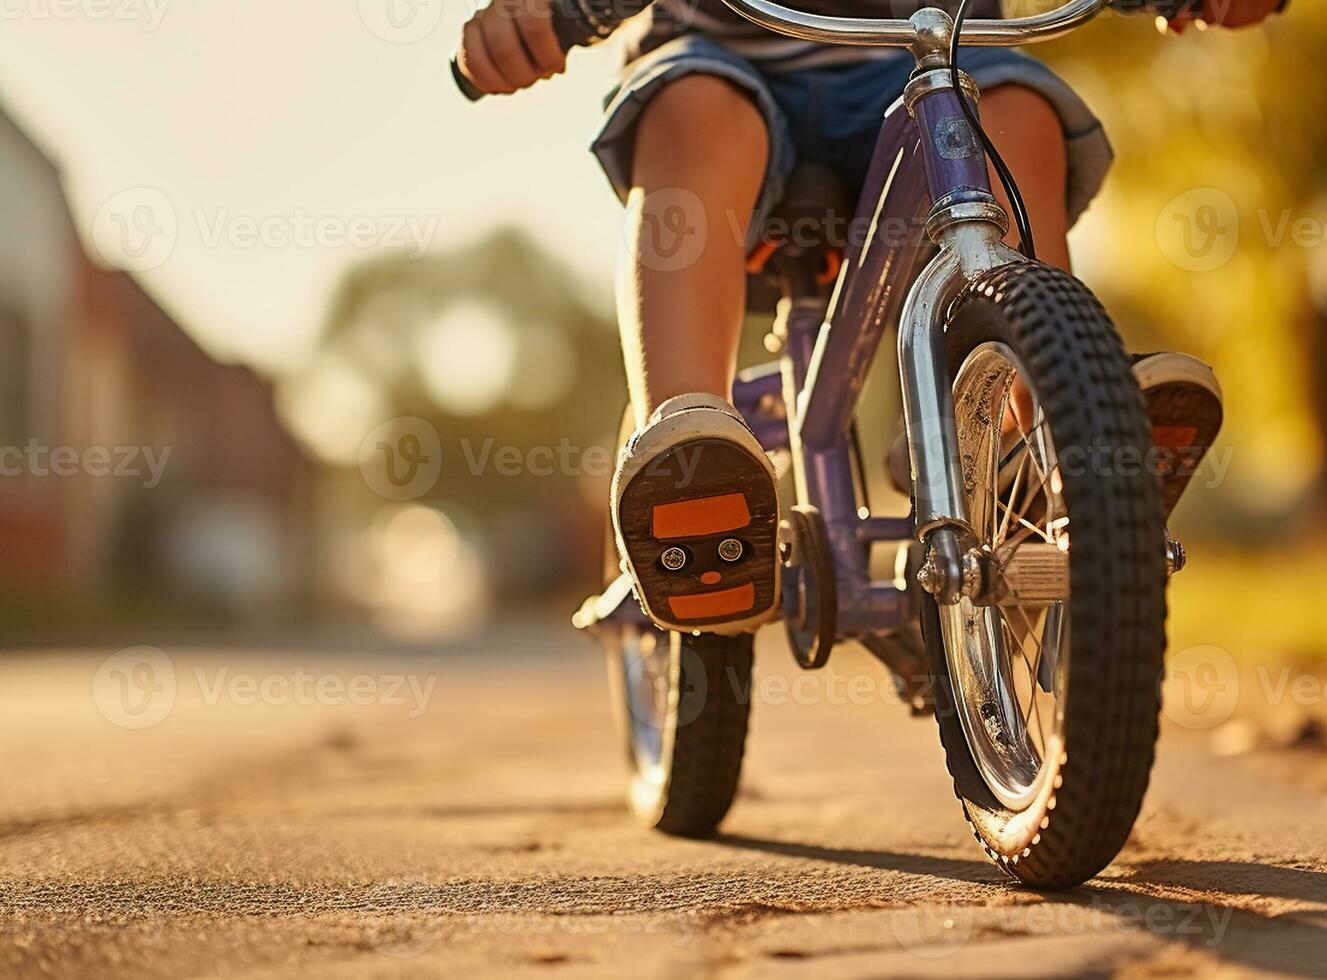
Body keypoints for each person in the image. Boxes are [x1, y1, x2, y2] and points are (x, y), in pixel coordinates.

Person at [457, 0, 1284, 633]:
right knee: (693, 110)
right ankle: (687, 438)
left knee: (1017, 111)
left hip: (932, 57)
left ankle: (1029, 438)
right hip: (729, 55)